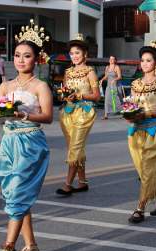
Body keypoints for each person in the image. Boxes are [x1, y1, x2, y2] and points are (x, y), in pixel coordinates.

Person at [0, 20, 52, 251]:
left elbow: (48, 117)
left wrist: (24, 114)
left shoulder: (41, 86)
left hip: (30, 143)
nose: (20, 60)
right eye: (17, 55)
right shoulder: (4, 86)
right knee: (16, 195)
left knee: (19, 194)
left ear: (37, 59)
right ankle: (31, 245)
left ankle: (7, 249)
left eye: (27, 56)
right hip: (8, 142)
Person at [127, 45, 156, 223]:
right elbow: (130, 107)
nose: (145, 64)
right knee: (145, 171)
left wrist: (150, 113)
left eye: (149, 60)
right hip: (135, 132)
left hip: (155, 131)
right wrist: (129, 115)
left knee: (147, 171)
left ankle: (140, 208)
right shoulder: (135, 84)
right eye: (142, 60)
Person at [56, 33, 101, 196]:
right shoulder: (68, 72)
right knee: (75, 146)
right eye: (72, 53)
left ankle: (67, 184)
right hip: (67, 113)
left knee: (75, 147)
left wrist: (80, 95)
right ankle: (82, 182)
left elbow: (97, 96)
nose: (74, 56)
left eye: (77, 53)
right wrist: (64, 95)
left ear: (85, 54)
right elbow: (65, 92)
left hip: (84, 112)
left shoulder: (90, 72)